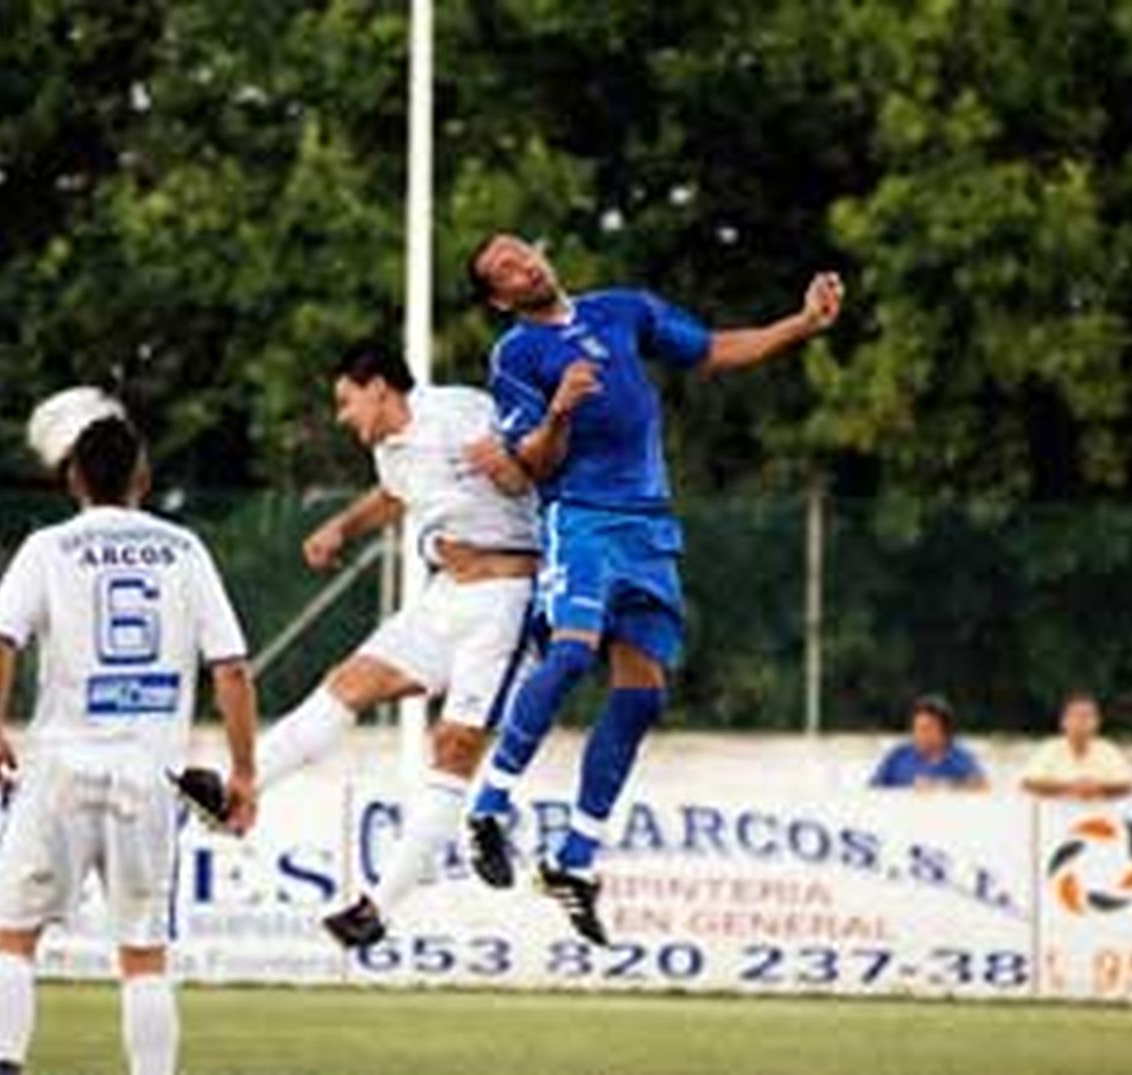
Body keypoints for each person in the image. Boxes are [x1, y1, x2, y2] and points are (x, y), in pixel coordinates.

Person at [462, 233, 844, 944]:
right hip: (582, 520)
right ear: (499, 298)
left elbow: (714, 350)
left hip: (649, 528)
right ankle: (489, 804)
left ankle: (573, 860)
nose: (524, 264)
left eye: (523, 251)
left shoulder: (622, 309)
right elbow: (535, 464)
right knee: (571, 655)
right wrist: (560, 411)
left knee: (642, 696)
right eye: (504, 269)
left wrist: (801, 323)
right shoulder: (517, 355)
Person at [192, 344, 539, 950]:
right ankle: (235, 795)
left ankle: (377, 907)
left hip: (505, 600)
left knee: (453, 747)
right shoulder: (390, 451)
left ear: (379, 387)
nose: (342, 416)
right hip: (444, 595)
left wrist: (520, 463)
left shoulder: (459, 410)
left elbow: (538, 453)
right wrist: (341, 528)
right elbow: (393, 496)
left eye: (345, 401)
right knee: (348, 682)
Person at [0, 393, 258, 1075]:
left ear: (74, 479)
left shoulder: (47, 546)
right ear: (143, 478)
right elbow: (233, 668)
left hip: (57, 771)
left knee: (11, 938)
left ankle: (2, 1065)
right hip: (148, 777)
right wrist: (243, 772)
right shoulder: (185, 547)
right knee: (143, 953)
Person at [1021, 692, 1132, 800]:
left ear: (1097, 722)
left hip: (1097, 815)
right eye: (1077, 716)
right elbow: (1028, 783)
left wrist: (1099, 788)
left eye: (1088, 716)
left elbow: (1128, 785)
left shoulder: (1108, 750)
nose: (1082, 721)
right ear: (1063, 721)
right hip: (1055, 813)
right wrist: (1069, 787)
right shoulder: (1049, 749)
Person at [868, 694, 988, 791]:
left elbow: (981, 786)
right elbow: (872, 790)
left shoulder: (959, 757)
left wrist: (940, 786)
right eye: (916, 728)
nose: (918, 735)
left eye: (926, 729)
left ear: (944, 732)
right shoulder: (899, 755)